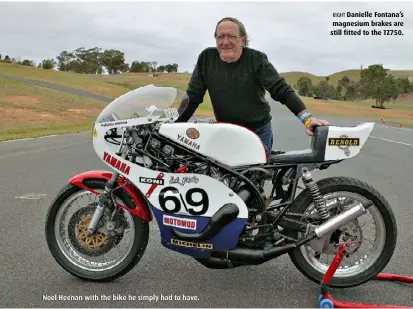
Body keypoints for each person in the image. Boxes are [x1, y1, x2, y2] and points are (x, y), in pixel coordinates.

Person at [175, 16, 330, 153]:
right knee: (223, 179)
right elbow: (193, 96)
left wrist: (307, 119)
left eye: (231, 36)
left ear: (243, 40)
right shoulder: (206, 58)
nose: (225, 42)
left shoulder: (256, 60)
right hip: (226, 131)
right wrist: (174, 125)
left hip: (258, 132)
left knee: (255, 179)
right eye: (220, 37)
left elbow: (281, 90)